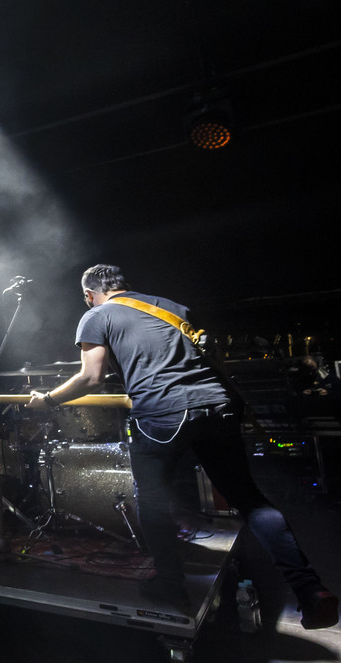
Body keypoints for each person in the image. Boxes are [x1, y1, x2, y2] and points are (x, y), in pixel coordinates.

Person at [29, 265, 338, 627]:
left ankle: (171, 585)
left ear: (89, 294)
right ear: (124, 285)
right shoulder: (172, 307)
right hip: (218, 406)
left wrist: (47, 400)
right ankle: (310, 589)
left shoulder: (96, 315)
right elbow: (210, 360)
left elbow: (91, 377)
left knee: (151, 501)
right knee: (249, 500)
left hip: (163, 412)